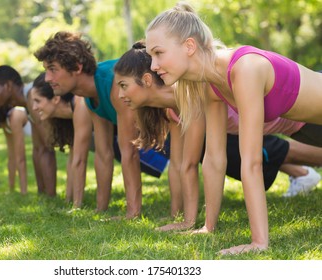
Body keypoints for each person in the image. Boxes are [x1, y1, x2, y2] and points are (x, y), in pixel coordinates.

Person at [145, 3, 322, 254]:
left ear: (189, 46)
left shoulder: (244, 69)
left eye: (158, 53)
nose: (153, 65)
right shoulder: (212, 85)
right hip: (311, 128)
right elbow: (215, 159)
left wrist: (258, 243)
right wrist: (208, 226)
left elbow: (251, 162)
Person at [114, 41, 322, 232]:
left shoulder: (191, 94)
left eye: (123, 86)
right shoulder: (173, 111)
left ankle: (304, 174)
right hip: (294, 126)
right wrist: (178, 216)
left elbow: (190, 163)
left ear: (147, 80)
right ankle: (305, 174)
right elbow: (179, 164)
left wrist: (188, 221)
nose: (120, 95)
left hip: (304, 114)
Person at [34, 31, 168, 219]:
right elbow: (104, 154)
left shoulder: (113, 84)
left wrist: (132, 213)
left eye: (53, 69)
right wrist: (100, 210)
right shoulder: (88, 95)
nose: (47, 78)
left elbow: (129, 153)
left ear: (77, 68)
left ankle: (136, 210)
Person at [0, 66, 57, 196]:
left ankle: (50, 195)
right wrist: (41, 194)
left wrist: (51, 197)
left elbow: (47, 147)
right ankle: (44, 193)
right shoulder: (26, 101)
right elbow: (38, 148)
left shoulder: (31, 96)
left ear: (8, 86)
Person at [30, 72, 93, 208]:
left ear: (55, 99)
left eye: (37, 101)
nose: (34, 108)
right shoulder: (69, 113)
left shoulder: (80, 103)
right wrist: (68, 201)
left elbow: (80, 160)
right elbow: (73, 160)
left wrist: (77, 206)